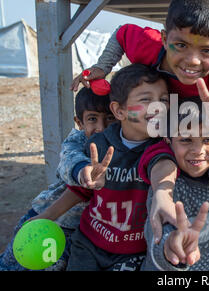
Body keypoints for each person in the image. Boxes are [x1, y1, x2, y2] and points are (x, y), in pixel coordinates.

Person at [70, 0, 209, 244]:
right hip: (165, 122)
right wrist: (103, 66)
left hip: (201, 124)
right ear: (165, 39)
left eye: (207, 51)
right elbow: (121, 33)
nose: (192, 60)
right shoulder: (147, 44)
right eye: (181, 45)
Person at [34, 64, 170, 270]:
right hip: (88, 244)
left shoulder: (163, 148)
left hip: (134, 253)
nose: (158, 107)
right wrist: (45, 217)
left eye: (164, 100)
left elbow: (163, 169)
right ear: (118, 111)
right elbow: (80, 191)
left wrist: (163, 192)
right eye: (146, 100)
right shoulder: (99, 144)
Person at [0, 87, 116, 271]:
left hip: (77, 233)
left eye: (109, 118)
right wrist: (83, 171)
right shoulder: (77, 141)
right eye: (92, 119)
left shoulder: (121, 146)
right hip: (45, 219)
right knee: (10, 265)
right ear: (79, 122)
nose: (101, 127)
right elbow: (69, 161)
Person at [141, 97, 209, 271]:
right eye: (186, 140)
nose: (197, 150)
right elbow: (156, 237)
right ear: (169, 142)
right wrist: (170, 247)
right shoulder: (167, 185)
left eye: (208, 140)